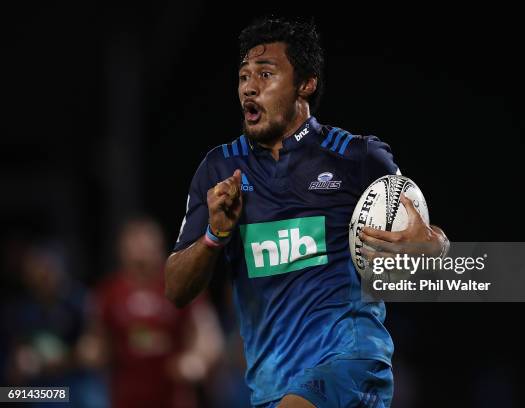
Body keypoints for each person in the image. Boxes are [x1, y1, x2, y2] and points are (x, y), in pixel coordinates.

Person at [165, 17, 449, 408]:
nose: (249, 86)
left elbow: (431, 246)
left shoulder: (358, 157)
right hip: (271, 386)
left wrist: (430, 245)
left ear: (306, 84)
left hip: (350, 364)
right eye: (244, 76)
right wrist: (215, 235)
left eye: (266, 74)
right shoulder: (218, 171)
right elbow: (176, 290)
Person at [85, 217, 224, 408]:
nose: (141, 251)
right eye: (135, 243)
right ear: (122, 249)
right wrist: (92, 351)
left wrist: (197, 359)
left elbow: (208, 335)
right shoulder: (107, 293)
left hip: (174, 397)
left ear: (159, 246)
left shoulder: (182, 285)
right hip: (125, 397)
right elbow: (96, 339)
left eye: (147, 243)